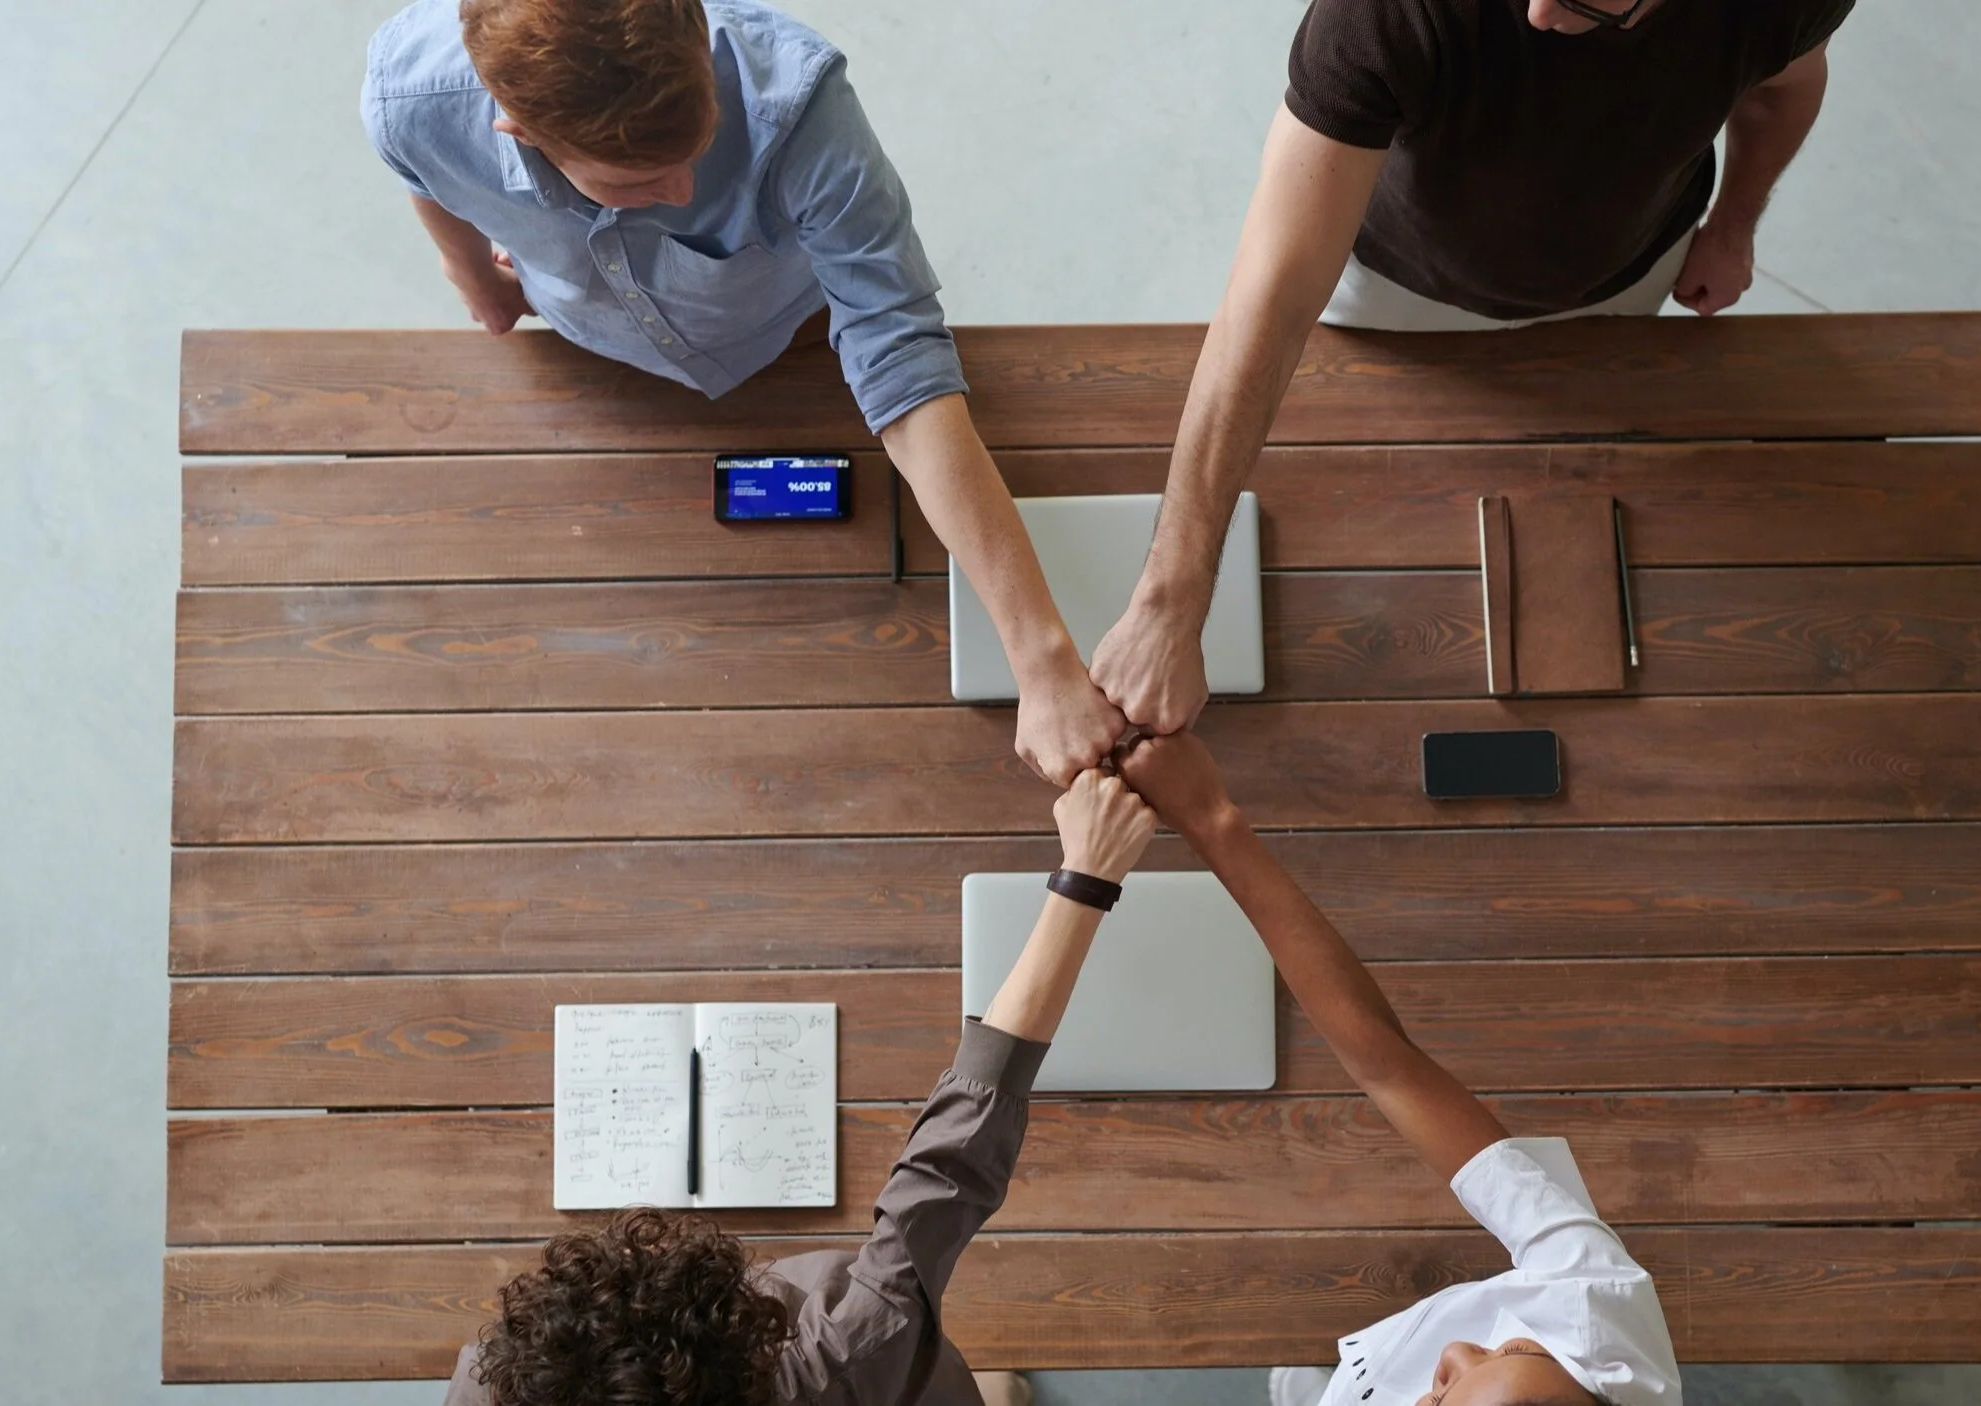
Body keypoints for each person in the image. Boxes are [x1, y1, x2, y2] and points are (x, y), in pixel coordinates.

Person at [363, 0, 1123, 784]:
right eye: (643, 180)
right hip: (592, 356)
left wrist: (1044, 663)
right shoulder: (406, 99)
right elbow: (421, 167)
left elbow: (898, 351)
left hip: (787, 329)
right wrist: (471, 278)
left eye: (700, 141)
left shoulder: (799, 108)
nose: (688, 185)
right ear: (517, 129)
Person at [1089, 0, 1854, 735]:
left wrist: (1733, 226)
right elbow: (1274, 297)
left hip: (1631, 272)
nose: (1541, 15)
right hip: (1393, 286)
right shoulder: (1382, 12)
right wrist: (1169, 602)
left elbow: (1786, 85)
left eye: (1591, 2)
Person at [440, 768, 1156, 1406]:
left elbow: (950, 1171)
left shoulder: (492, 1380)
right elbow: (951, 1160)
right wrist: (1085, 875)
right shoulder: (843, 1352)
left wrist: (1089, 874)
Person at [1118, 733, 1681, 1406]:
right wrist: (1211, 820)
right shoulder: (1593, 1299)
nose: (1451, 1356)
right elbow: (1387, 1064)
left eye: (1435, 1400)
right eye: (1506, 1350)